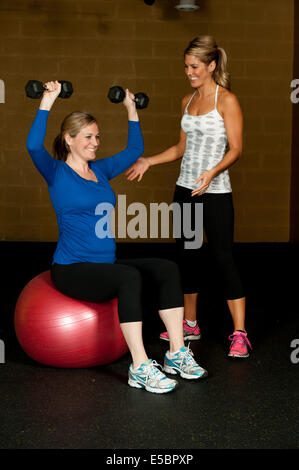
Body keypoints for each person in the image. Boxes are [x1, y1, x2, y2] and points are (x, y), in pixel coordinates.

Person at [26, 80, 208, 394]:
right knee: (128, 278)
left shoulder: (100, 170)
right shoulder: (55, 172)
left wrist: (130, 107)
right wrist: (47, 101)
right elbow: (32, 145)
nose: (95, 142)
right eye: (87, 137)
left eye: (97, 136)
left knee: (167, 268)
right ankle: (139, 366)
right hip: (71, 270)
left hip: (104, 264)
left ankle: (176, 353)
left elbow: (135, 150)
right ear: (69, 140)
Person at [126, 36, 252, 359]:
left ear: (211, 66)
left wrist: (211, 173)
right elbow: (181, 148)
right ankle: (190, 323)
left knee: (223, 258)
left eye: (194, 67)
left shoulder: (227, 101)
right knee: (188, 257)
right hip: (185, 189)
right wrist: (149, 161)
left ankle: (239, 333)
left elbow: (236, 148)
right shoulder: (187, 101)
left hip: (216, 191)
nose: (189, 72)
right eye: (186, 67)